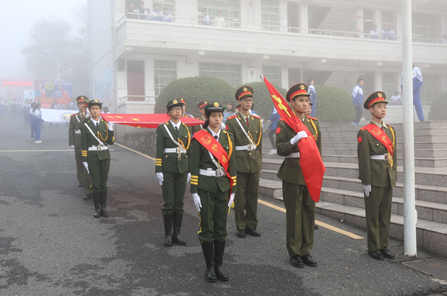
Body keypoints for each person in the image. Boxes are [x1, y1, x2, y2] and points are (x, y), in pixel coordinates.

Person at [189, 102, 237, 283]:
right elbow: (193, 166)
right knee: (207, 227)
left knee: (221, 227)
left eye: (220, 115)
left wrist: (233, 190)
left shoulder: (229, 137)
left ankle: (219, 265)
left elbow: (232, 164)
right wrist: (194, 191)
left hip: (223, 187)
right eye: (213, 116)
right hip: (205, 186)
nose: (217, 119)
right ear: (207, 118)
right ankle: (209, 266)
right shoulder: (199, 137)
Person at [276, 83, 322, 268]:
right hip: (293, 172)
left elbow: (319, 151)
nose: (305, 104)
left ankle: (306, 250)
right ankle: (294, 252)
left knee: (309, 213)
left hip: (311, 172)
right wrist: (294, 140)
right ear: (292, 103)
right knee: (294, 214)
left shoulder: (313, 123)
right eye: (301, 100)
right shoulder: (284, 124)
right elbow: (281, 149)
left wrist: (320, 170)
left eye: (307, 101)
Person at [357, 91, 397, 261]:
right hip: (374, 177)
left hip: (387, 176)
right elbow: (363, 158)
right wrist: (366, 181)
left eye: (384, 107)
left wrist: (393, 174)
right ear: (371, 110)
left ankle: (384, 245)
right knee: (373, 214)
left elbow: (394, 155)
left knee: (385, 214)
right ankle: (373, 247)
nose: (383, 109)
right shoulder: (364, 132)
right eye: (379, 107)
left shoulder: (390, 130)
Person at [226, 86, 262, 238]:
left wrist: (259, 162)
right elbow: (229, 145)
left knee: (253, 195)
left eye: (250, 100)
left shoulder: (257, 120)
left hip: (254, 163)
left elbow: (259, 145)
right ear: (239, 102)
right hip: (239, 163)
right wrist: (230, 166)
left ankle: (251, 225)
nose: (249, 102)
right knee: (240, 196)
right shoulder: (232, 121)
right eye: (246, 100)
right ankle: (241, 225)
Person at [155, 99, 191, 247]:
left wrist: (189, 170)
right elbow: (159, 150)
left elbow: (188, 150)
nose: (178, 111)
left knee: (179, 202)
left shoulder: (186, 128)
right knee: (168, 203)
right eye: (174, 109)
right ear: (168, 112)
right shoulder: (163, 128)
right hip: (168, 169)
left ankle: (177, 234)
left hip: (182, 168)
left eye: (180, 109)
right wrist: (159, 170)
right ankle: (167, 235)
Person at [81, 99, 115, 218]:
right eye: (93, 109)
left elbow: (110, 142)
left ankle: (104, 208)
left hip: (105, 156)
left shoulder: (105, 124)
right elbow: (83, 144)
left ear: (100, 110)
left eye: (97, 109)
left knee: (103, 183)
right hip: (92, 157)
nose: (95, 111)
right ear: (89, 111)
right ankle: (97, 208)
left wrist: (111, 130)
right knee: (95, 183)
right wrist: (84, 160)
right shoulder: (86, 126)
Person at [69, 96, 92, 200]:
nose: (82, 106)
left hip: (88, 141)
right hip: (78, 141)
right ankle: (81, 179)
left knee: (87, 161)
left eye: (84, 104)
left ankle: (89, 180)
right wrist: (71, 142)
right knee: (79, 161)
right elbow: (71, 130)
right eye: (80, 104)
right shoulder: (74, 117)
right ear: (77, 105)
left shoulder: (91, 115)